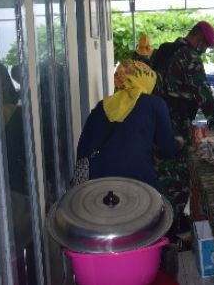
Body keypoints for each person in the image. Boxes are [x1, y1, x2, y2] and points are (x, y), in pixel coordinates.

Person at [154, 21, 214, 240]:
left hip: (156, 125)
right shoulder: (188, 56)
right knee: (178, 179)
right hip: (175, 127)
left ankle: (162, 227)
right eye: (205, 47)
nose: (204, 51)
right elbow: (203, 94)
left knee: (161, 175)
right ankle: (175, 232)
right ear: (199, 39)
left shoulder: (164, 51)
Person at [76, 59, 183, 189]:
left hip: (98, 182)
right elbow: (167, 147)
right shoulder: (155, 104)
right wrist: (178, 142)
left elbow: (83, 148)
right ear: (147, 80)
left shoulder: (103, 105)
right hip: (139, 182)